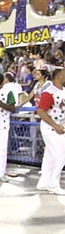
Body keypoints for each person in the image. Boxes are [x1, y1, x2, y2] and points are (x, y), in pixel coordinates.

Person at [35, 67, 65, 195]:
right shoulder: (49, 92)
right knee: (60, 155)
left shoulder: (63, 91)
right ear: (58, 77)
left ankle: (44, 182)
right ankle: (53, 184)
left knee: (49, 156)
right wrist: (55, 125)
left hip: (59, 126)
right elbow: (41, 111)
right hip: (50, 127)